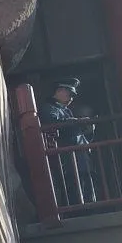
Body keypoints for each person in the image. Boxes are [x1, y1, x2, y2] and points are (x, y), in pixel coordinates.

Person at [39, 80, 97, 208]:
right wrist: (77, 121)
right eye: (69, 94)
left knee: (87, 191)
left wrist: (88, 129)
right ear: (59, 91)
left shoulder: (65, 110)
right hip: (68, 159)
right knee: (74, 191)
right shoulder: (49, 108)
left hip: (80, 158)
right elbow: (53, 122)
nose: (71, 98)